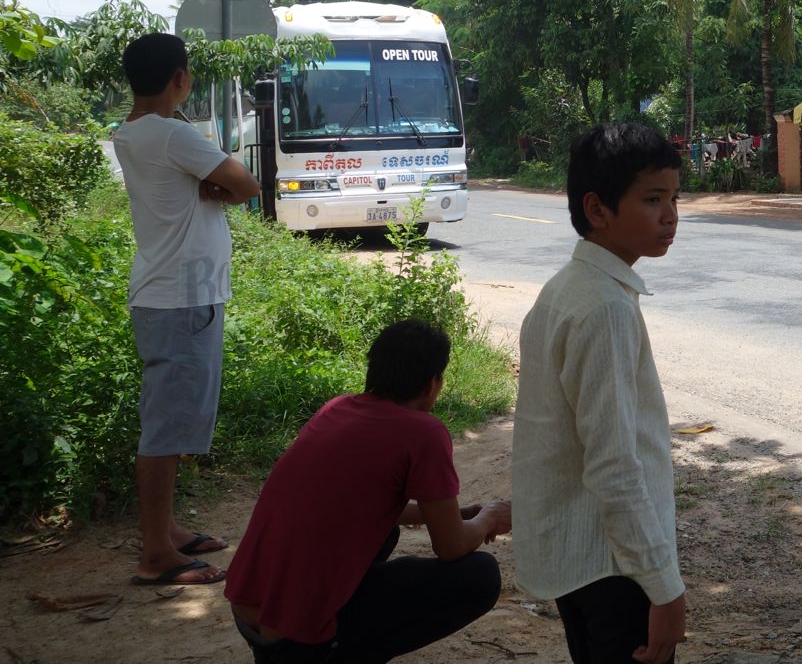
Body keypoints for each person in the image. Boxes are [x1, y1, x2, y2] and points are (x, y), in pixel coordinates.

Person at [226, 320, 510, 661]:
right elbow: (451, 548)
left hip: (249, 609)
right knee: (480, 575)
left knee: (386, 531)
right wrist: (489, 517)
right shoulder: (424, 432)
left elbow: (353, 505)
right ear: (433, 384)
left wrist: (454, 515)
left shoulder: (337, 408)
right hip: (298, 640)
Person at [514, 123, 686, 664]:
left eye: (675, 198)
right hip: (616, 568)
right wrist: (664, 586)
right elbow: (614, 463)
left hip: (584, 561)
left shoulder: (568, 289)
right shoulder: (605, 309)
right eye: (652, 199)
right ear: (598, 209)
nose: (670, 215)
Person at [112, 32, 261, 587]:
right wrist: (219, 188)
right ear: (180, 79)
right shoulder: (174, 134)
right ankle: (156, 552)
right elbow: (245, 185)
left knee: (169, 421)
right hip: (182, 299)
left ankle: (167, 530)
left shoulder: (130, 132)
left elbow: (218, 187)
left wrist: (211, 187)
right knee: (167, 429)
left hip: (168, 295)